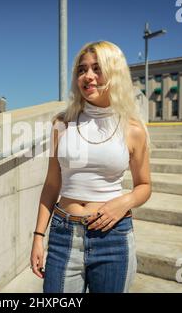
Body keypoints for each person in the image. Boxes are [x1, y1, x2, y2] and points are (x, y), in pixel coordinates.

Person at [30, 41, 152, 293]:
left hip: (113, 237)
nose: (88, 76)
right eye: (82, 70)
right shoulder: (62, 124)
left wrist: (124, 202)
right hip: (64, 235)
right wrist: (38, 237)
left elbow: (144, 186)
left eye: (97, 68)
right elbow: (52, 185)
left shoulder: (133, 129)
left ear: (114, 73)